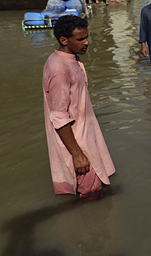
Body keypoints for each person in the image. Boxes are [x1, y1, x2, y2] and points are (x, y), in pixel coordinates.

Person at [42, 15, 115, 200]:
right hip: (78, 144)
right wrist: (77, 155)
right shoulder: (59, 70)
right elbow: (58, 116)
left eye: (86, 37)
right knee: (91, 196)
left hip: (85, 136)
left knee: (94, 193)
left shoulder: (69, 58)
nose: (87, 42)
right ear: (64, 40)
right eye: (80, 39)